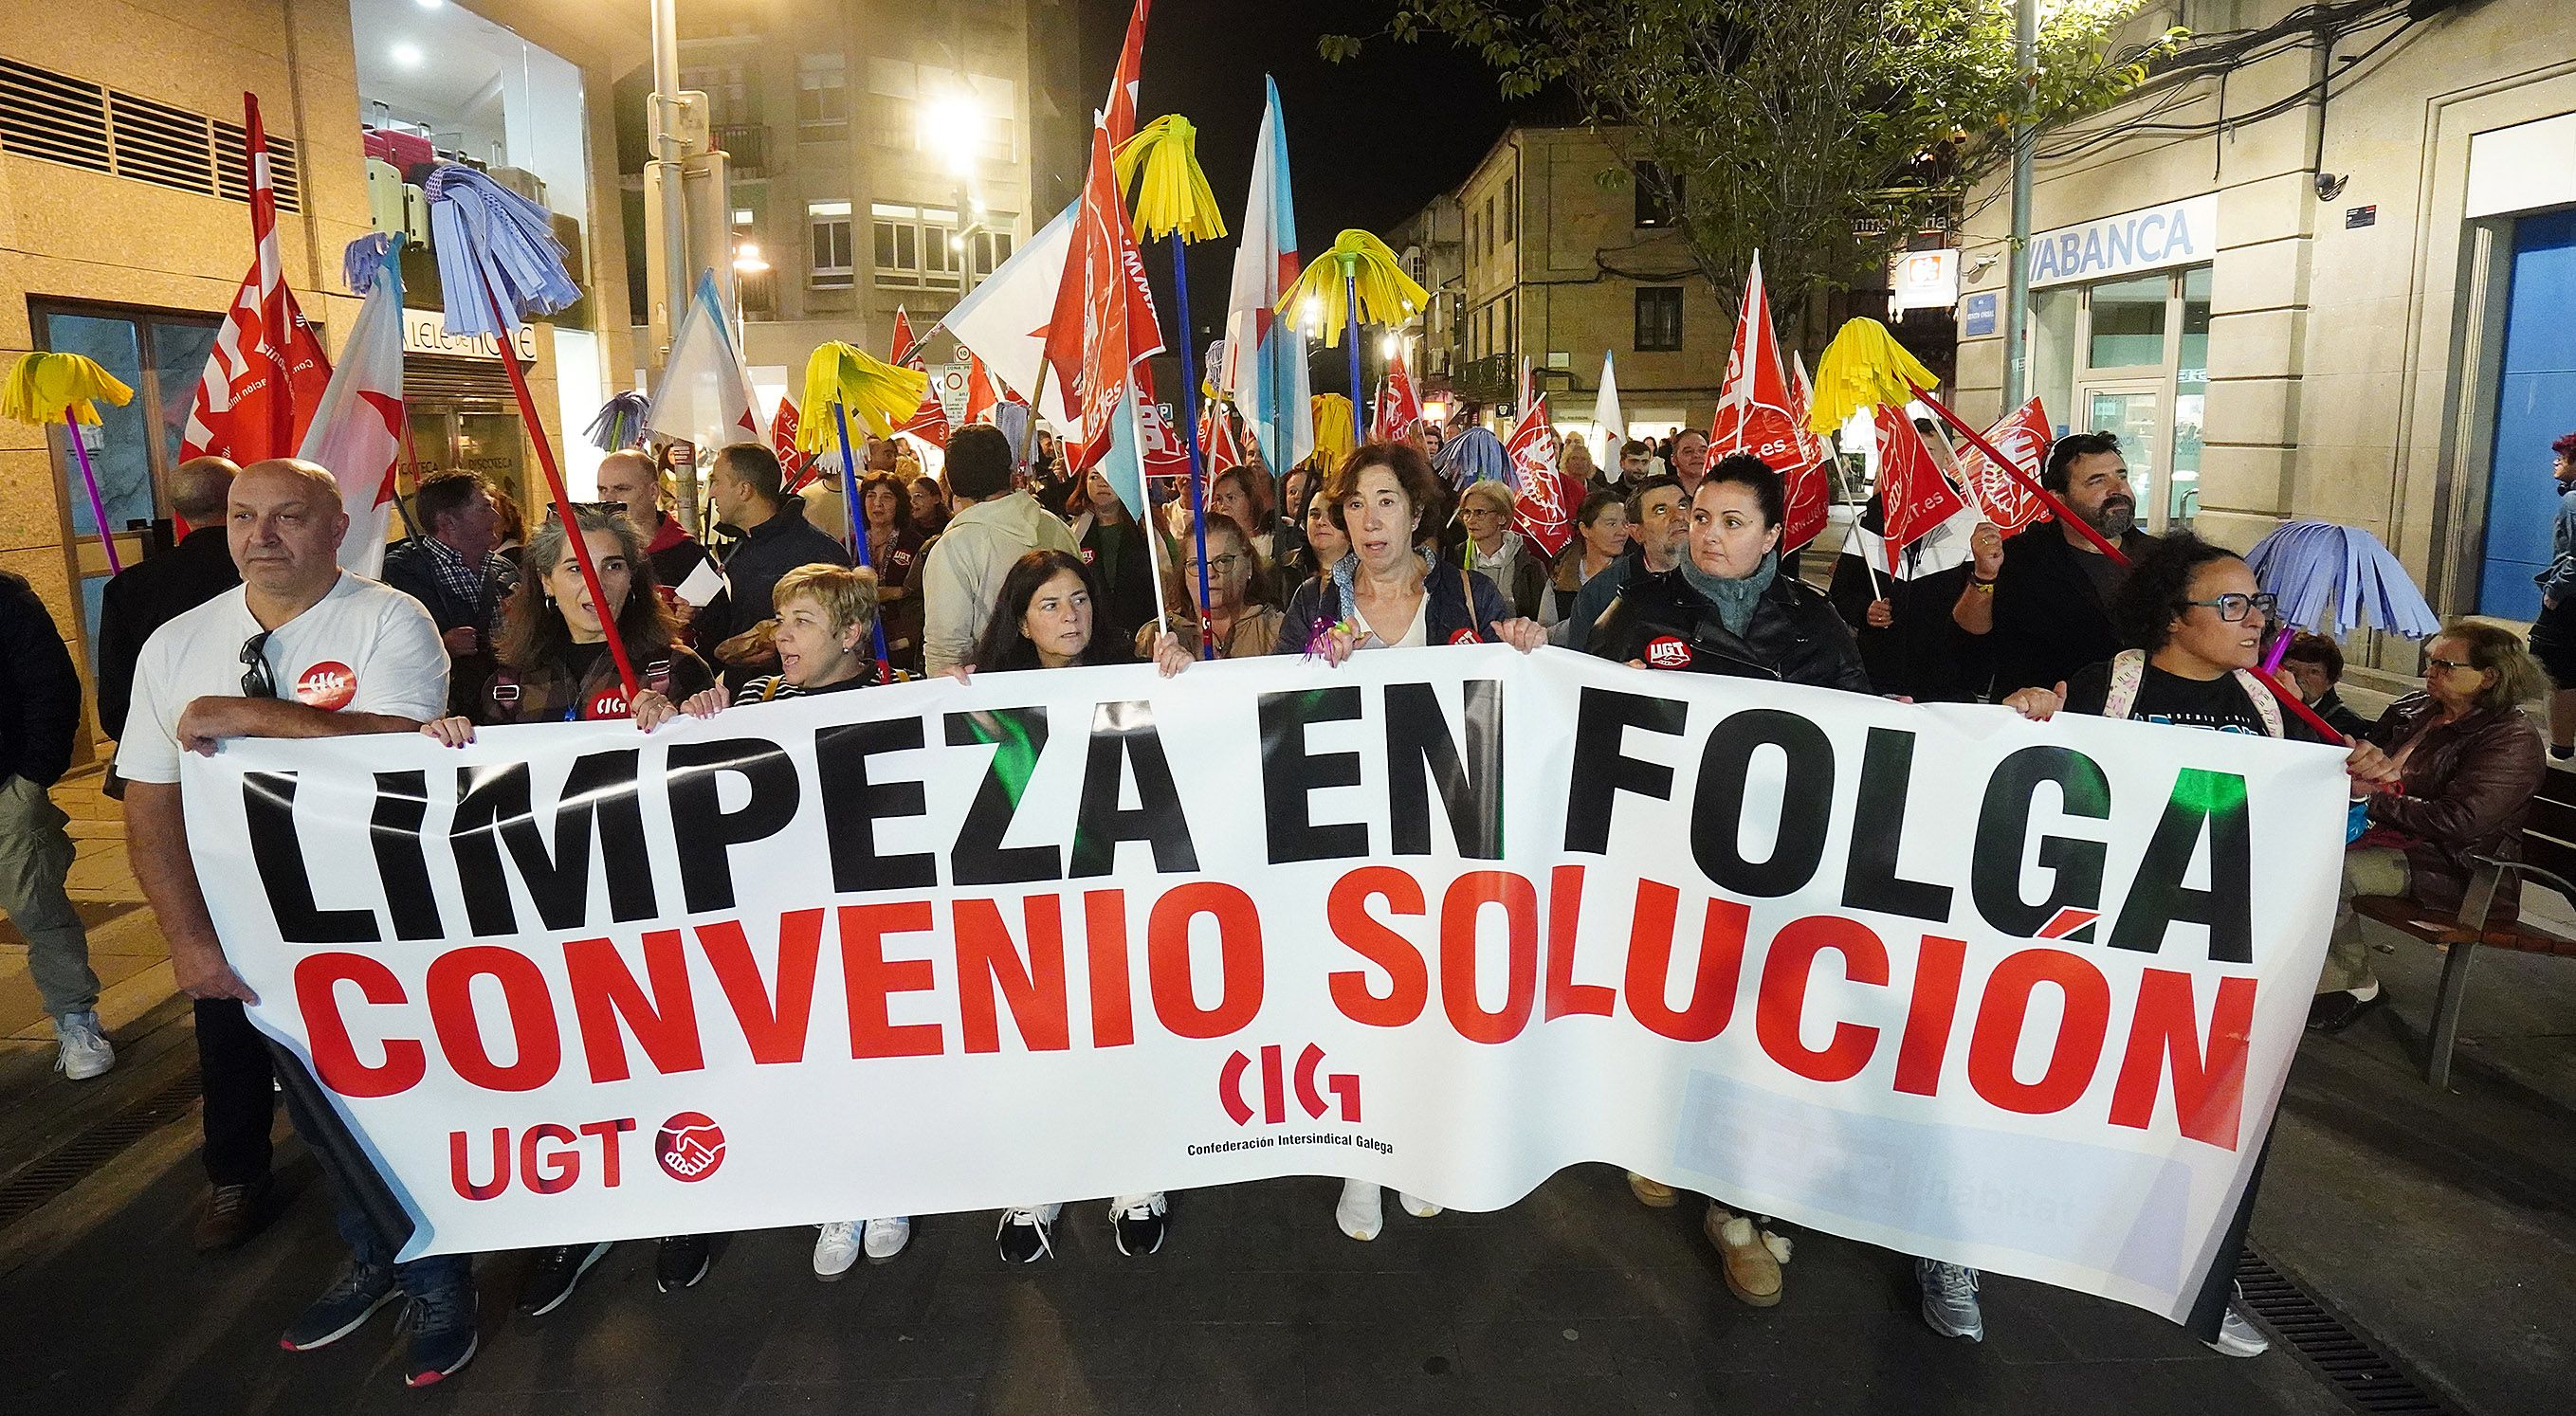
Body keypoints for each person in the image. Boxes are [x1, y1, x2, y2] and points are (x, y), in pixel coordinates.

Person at [1996, 535, 2399, 1360]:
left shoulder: (2267, 702)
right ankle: (2008, 1241)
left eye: (2257, 604)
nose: (2254, 620)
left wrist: (2354, 780)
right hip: (2104, 946)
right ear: (2173, 620)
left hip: (2213, 958)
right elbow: (2028, 778)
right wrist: (2026, 714)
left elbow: (2314, 820)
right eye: (2232, 605)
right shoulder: (2107, 681)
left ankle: (2195, 1277)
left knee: (2199, 1116)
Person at [118, 460, 471, 1384]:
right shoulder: (174, 646)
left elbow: (404, 753)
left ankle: (441, 1279)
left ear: (337, 524)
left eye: (287, 516)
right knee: (316, 1116)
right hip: (251, 932)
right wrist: (189, 941)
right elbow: (150, 810)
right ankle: (379, 1260)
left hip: (378, 920)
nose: (260, 535)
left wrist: (246, 718)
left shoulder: (388, 620)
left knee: (398, 1106)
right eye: (243, 516)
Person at [420, 506, 717, 1308]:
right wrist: (445, 732)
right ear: (545, 582)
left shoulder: (675, 667)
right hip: (547, 908)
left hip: (651, 903)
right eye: (576, 569)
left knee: (667, 1051)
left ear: (636, 578)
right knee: (574, 1064)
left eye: (615, 566)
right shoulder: (499, 684)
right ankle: (580, 1216)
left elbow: (720, 779)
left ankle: (687, 1201)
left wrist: (692, 723)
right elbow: (463, 782)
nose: (597, 583)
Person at [1281, 443, 1547, 1244]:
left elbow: (1514, 697)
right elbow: (1269, 713)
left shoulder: (1469, 593)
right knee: (1364, 998)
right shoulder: (1311, 601)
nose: (1369, 520)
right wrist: (1308, 666)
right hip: (1349, 841)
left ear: (1417, 511)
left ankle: (1423, 1148)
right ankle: (1365, 1155)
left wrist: (1526, 647)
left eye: (1386, 501)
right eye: (1354, 504)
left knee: (1436, 999)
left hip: (1448, 839)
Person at [949, 550, 1189, 1261]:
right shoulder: (985, 693)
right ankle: (1040, 1176)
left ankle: (1135, 1173)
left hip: (1121, 893)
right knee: (1042, 1039)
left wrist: (1180, 677)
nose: (1070, 616)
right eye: (1050, 604)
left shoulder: (1134, 675)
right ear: (1020, 620)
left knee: (1125, 1028)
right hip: (1031, 902)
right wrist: (946, 697)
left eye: (1079, 598)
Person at [2310, 621, 2548, 1033]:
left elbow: (2461, 820)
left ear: (2489, 677)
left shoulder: (2511, 738)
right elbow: (2360, 760)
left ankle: (2355, 984)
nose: (2429, 673)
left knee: (2330, 875)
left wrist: (2373, 799)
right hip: (2386, 836)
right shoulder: (2415, 709)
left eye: (2445, 665)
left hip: (2455, 867)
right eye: (2429, 662)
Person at [0, 567, 109, 1080]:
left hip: (8, 788)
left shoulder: (8, 602)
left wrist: (33, 775)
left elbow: (52, 688)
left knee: (37, 903)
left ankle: (75, 1017)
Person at [1954, 430, 2159, 697]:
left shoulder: (2162, 559)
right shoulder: (2020, 556)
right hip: (2042, 719)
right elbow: (1969, 639)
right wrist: (1984, 576)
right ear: (2058, 499)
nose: (2118, 490)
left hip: (2135, 722)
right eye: (2097, 481)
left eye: (2121, 476)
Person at [97, 457, 241, 763]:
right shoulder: (268, 574)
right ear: (237, 500)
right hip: (266, 756)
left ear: (179, 512)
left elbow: (116, 708)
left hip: (171, 760)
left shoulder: (129, 588)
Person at [919, 424, 1079, 676]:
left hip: (997, 700)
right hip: (1068, 683)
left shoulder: (954, 548)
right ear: (1009, 468)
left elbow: (947, 655)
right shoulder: (1057, 526)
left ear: (950, 480)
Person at [697, 441, 853, 668]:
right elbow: (735, 623)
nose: (711, 493)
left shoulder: (819, 553)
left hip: (796, 696)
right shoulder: (741, 546)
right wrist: (700, 612)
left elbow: (841, 632)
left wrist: (773, 640)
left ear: (744, 490)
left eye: (716, 482)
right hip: (745, 693)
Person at [1827, 495, 1989, 702]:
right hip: (1876, 679)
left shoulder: (1971, 527)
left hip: (1946, 684)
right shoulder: (1865, 524)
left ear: (1948, 460)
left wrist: (1986, 573)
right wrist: (1864, 610)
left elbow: (1983, 617)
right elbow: (1841, 592)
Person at [379, 469, 507, 712]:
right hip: (442, 718)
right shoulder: (397, 576)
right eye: (484, 508)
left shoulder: (506, 570)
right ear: (448, 522)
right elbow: (383, 657)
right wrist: (439, 646)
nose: (495, 516)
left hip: (506, 713)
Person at [1551, 474, 1687, 650]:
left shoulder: (1723, 582)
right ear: (1637, 533)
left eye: (1683, 505)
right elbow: (1581, 667)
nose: (1678, 516)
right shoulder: (1598, 594)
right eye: (1661, 510)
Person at [1144, 513, 1284, 659]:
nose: (1209, 574)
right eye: (1197, 564)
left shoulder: (1278, 630)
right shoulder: (1158, 635)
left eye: (1223, 561)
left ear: (1248, 565)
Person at [595, 447, 712, 593]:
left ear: (653, 492)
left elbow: (716, 613)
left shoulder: (690, 556)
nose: (609, 500)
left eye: (622, 489)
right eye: (602, 490)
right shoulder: (593, 553)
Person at [1073, 467, 1160, 651]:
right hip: (1093, 639)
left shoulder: (1150, 529)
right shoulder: (1074, 533)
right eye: (1094, 477)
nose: (1103, 483)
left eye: (1113, 475)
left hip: (1145, 637)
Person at [2529, 431, 2576, 759]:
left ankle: (2560, 748)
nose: (2557, 460)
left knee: (2556, 669)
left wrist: (2554, 593)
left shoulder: (2573, 501)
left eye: (2564, 455)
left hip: (2569, 601)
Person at [855, 472, 927, 677]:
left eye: (886, 497)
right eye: (870, 496)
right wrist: (895, 592)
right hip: (858, 642)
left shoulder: (915, 543)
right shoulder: (850, 543)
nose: (877, 503)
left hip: (904, 641)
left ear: (899, 504)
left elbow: (919, 591)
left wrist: (899, 593)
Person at [1456, 479, 1548, 620]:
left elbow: (1539, 621)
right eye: (1467, 512)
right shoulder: (1454, 560)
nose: (1471, 520)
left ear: (1502, 518)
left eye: (1480, 513)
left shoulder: (1530, 567)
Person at [1541, 488, 1630, 628]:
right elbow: (1544, 634)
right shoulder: (1560, 576)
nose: (1623, 532)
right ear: (1584, 529)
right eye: (1611, 524)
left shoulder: (1633, 576)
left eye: (1625, 523)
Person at [2276, 632, 2372, 739]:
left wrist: (2296, 707)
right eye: (2291, 668)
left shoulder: (2348, 724)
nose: (2299, 678)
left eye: (2313, 671)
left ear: (2330, 682)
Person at [1669, 427, 1710, 498]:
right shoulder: (1666, 495)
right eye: (1688, 451)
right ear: (1674, 459)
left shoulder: (1720, 493)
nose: (1696, 455)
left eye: (1703, 451)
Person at [909, 474, 953, 538]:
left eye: (918, 496)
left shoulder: (950, 527)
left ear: (936, 499)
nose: (912, 501)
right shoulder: (906, 530)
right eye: (909, 497)